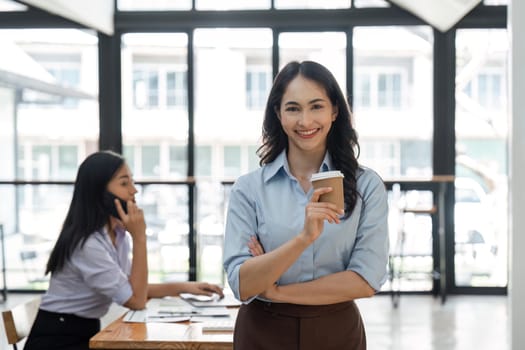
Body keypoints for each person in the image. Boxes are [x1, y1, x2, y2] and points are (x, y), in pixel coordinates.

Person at [223, 60, 389, 350]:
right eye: (293, 108)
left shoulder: (366, 186)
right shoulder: (249, 189)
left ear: (334, 110)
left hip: (337, 330)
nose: (305, 121)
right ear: (278, 113)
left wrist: (277, 291)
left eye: (316, 106)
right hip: (262, 332)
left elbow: (365, 279)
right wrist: (303, 239)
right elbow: (243, 284)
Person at [24, 150, 223, 350]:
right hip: (57, 340)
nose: (134, 190)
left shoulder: (117, 234)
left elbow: (133, 288)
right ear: (100, 191)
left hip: (82, 331)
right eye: (124, 183)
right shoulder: (88, 245)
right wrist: (140, 237)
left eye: (132, 181)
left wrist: (186, 287)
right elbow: (136, 300)